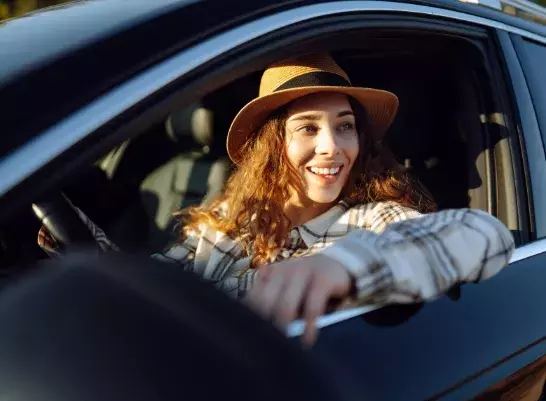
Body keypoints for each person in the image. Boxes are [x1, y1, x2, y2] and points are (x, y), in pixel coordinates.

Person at [38, 53, 515, 346]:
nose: (332, 146)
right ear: (274, 146)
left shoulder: (373, 219)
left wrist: (344, 265)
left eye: (345, 126)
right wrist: (76, 242)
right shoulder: (226, 223)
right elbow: (155, 294)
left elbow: (483, 236)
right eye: (308, 127)